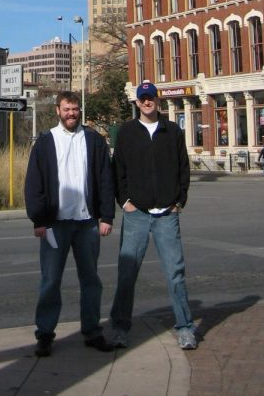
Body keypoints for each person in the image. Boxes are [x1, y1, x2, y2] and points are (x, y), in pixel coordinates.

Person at [24, 92, 115, 357]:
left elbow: (105, 180)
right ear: (57, 111)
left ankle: (92, 331)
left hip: (87, 223)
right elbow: (34, 184)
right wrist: (39, 220)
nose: (71, 113)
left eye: (75, 109)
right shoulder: (45, 142)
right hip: (55, 225)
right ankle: (45, 334)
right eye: (67, 109)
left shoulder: (94, 140)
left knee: (91, 281)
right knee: (50, 281)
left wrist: (106, 216)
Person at [109, 80, 196, 350]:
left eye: (151, 98)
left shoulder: (172, 131)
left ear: (158, 101)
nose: (147, 102)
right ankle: (120, 327)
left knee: (175, 273)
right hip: (137, 213)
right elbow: (118, 171)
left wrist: (179, 201)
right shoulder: (126, 132)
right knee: (127, 273)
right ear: (137, 103)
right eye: (143, 98)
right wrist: (125, 202)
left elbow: (183, 168)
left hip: (167, 214)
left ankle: (185, 327)